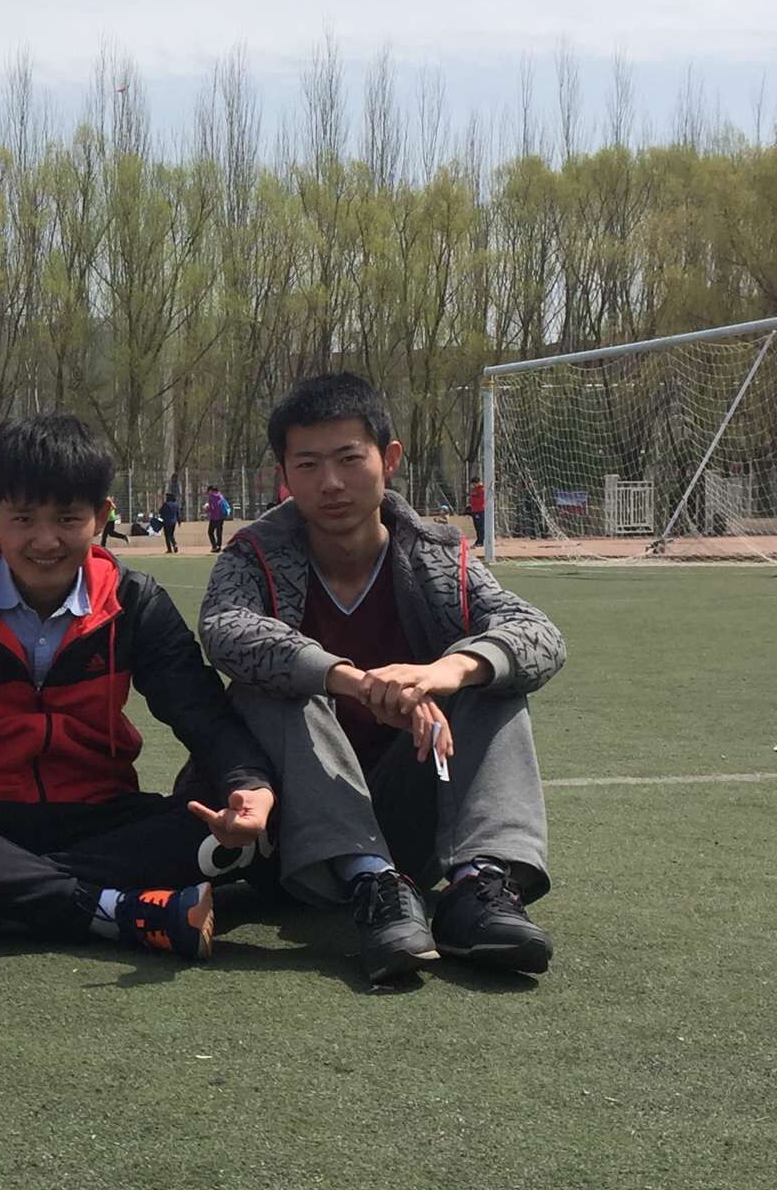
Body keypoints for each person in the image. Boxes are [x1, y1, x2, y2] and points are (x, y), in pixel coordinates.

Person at [0, 413, 276, 961]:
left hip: (100, 814)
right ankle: (114, 909)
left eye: (68, 518)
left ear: (100, 516)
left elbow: (203, 711)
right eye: (24, 518)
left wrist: (248, 783)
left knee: (240, 833)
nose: (46, 541)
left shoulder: (135, 602)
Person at [198, 373, 565, 984]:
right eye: (308, 464)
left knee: (492, 674)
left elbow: (539, 634)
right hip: (288, 824)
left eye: (349, 459)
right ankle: (373, 883)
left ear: (388, 459)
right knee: (276, 681)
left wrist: (442, 674)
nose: (331, 483)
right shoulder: (253, 556)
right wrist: (350, 679)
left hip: (409, 807)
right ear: (284, 474)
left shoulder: (438, 556)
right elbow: (225, 629)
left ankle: (480, 886)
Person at [205, 485, 229, 552]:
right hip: (221, 517)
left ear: (211, 490)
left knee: (210, 532)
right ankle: (218, 546)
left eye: (208, 491)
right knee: (219, 532)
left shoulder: (211, 497)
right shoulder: (221, 496)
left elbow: (212, 508)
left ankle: (214, 546)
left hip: (214, 517)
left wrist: (207, 508)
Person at [468, 479, 487, 545]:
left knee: (480, 526)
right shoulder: (475, 490)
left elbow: (481, 501)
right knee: (477, 526)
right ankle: (479, 539)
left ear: (478, 483)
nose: (473, 485)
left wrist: (474, 497)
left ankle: (482, 540)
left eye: (474, 484)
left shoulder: (482, 490)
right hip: (475, 510)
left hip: (480, 510)